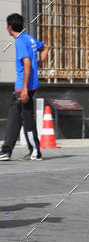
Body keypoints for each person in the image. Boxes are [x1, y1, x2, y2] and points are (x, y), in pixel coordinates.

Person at [0, 13, 48, 161]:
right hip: (30, 84)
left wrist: (25, 88)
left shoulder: (20, 41)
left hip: (24, 86)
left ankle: (34, 151)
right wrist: (38, 65)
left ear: (9, 27)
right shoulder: (29, 38)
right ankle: (7, 151)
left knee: (26, 119)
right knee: (17, 117)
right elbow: (46, 47)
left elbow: (27, 63)